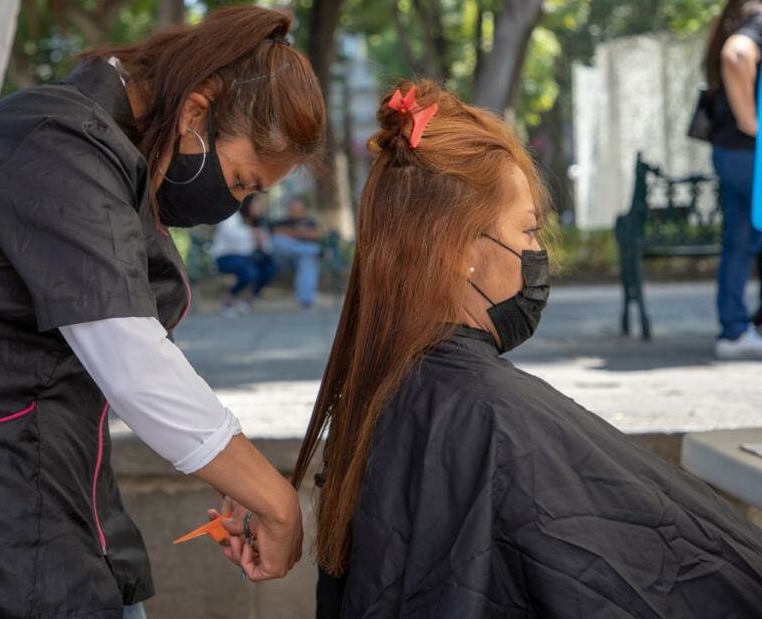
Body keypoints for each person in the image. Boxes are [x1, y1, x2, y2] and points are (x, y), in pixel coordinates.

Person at [0, 6, 326, 619]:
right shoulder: (55, 142)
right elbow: (132, 357)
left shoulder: (102, 150)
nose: (233, 203)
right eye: (241, 181)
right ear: (195, 115)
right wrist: (275, 500)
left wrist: (234, 476)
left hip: (45, 481)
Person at [290, 80, 762, 618]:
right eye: (529, 232)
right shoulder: (487, 416)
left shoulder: (378, 390)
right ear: (458, 251)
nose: (540, 256)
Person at [703, 0, 762, 358]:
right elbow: (736, 55)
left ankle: (734, 330)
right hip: (750, 153)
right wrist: (752, 123)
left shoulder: (731, 19)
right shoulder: (756, 20)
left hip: (730, 153)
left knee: (739, 241)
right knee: (743, 240)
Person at [212, 196, 276, 317]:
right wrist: (253, 234)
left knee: (269, 268)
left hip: (249, 258)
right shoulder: (231, 217)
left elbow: (267, 245)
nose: (259, 208)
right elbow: (233, 237)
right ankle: (229, 299)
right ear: (247, 205)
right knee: (250, 271)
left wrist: (261, 242)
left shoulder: (259, 222)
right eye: (256, 205)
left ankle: (248, 300)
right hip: (227, 257)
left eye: (260, 206)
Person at [271, 197, 322, 308]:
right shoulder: (281, 221)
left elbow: (316, 235)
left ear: (303, 210)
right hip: (283, 258)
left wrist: (290, 235)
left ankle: (306, 300)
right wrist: (302, 234)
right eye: (293, 208)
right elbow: (276, 234)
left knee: (307, 261)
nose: (295, 211)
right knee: (279, 242)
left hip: (299, 259)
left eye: (298, 208)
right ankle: (308, 250)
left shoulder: (310, 222)